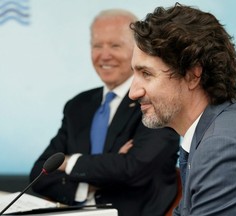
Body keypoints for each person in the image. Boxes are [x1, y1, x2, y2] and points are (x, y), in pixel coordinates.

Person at [129, 3, 236, 216]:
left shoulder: (223, 146)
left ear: (193, 75)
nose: (133, 92)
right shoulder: (215, 130)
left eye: (146, 74)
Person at [30, 9, 180, 216]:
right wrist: (88, 185)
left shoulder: (156, 101)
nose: (104, 55)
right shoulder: (78, 105)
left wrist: (69, 161)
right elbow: (40, 172)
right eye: (97, 45)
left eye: (115, 45)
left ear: (138, 50)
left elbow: (133, 168)